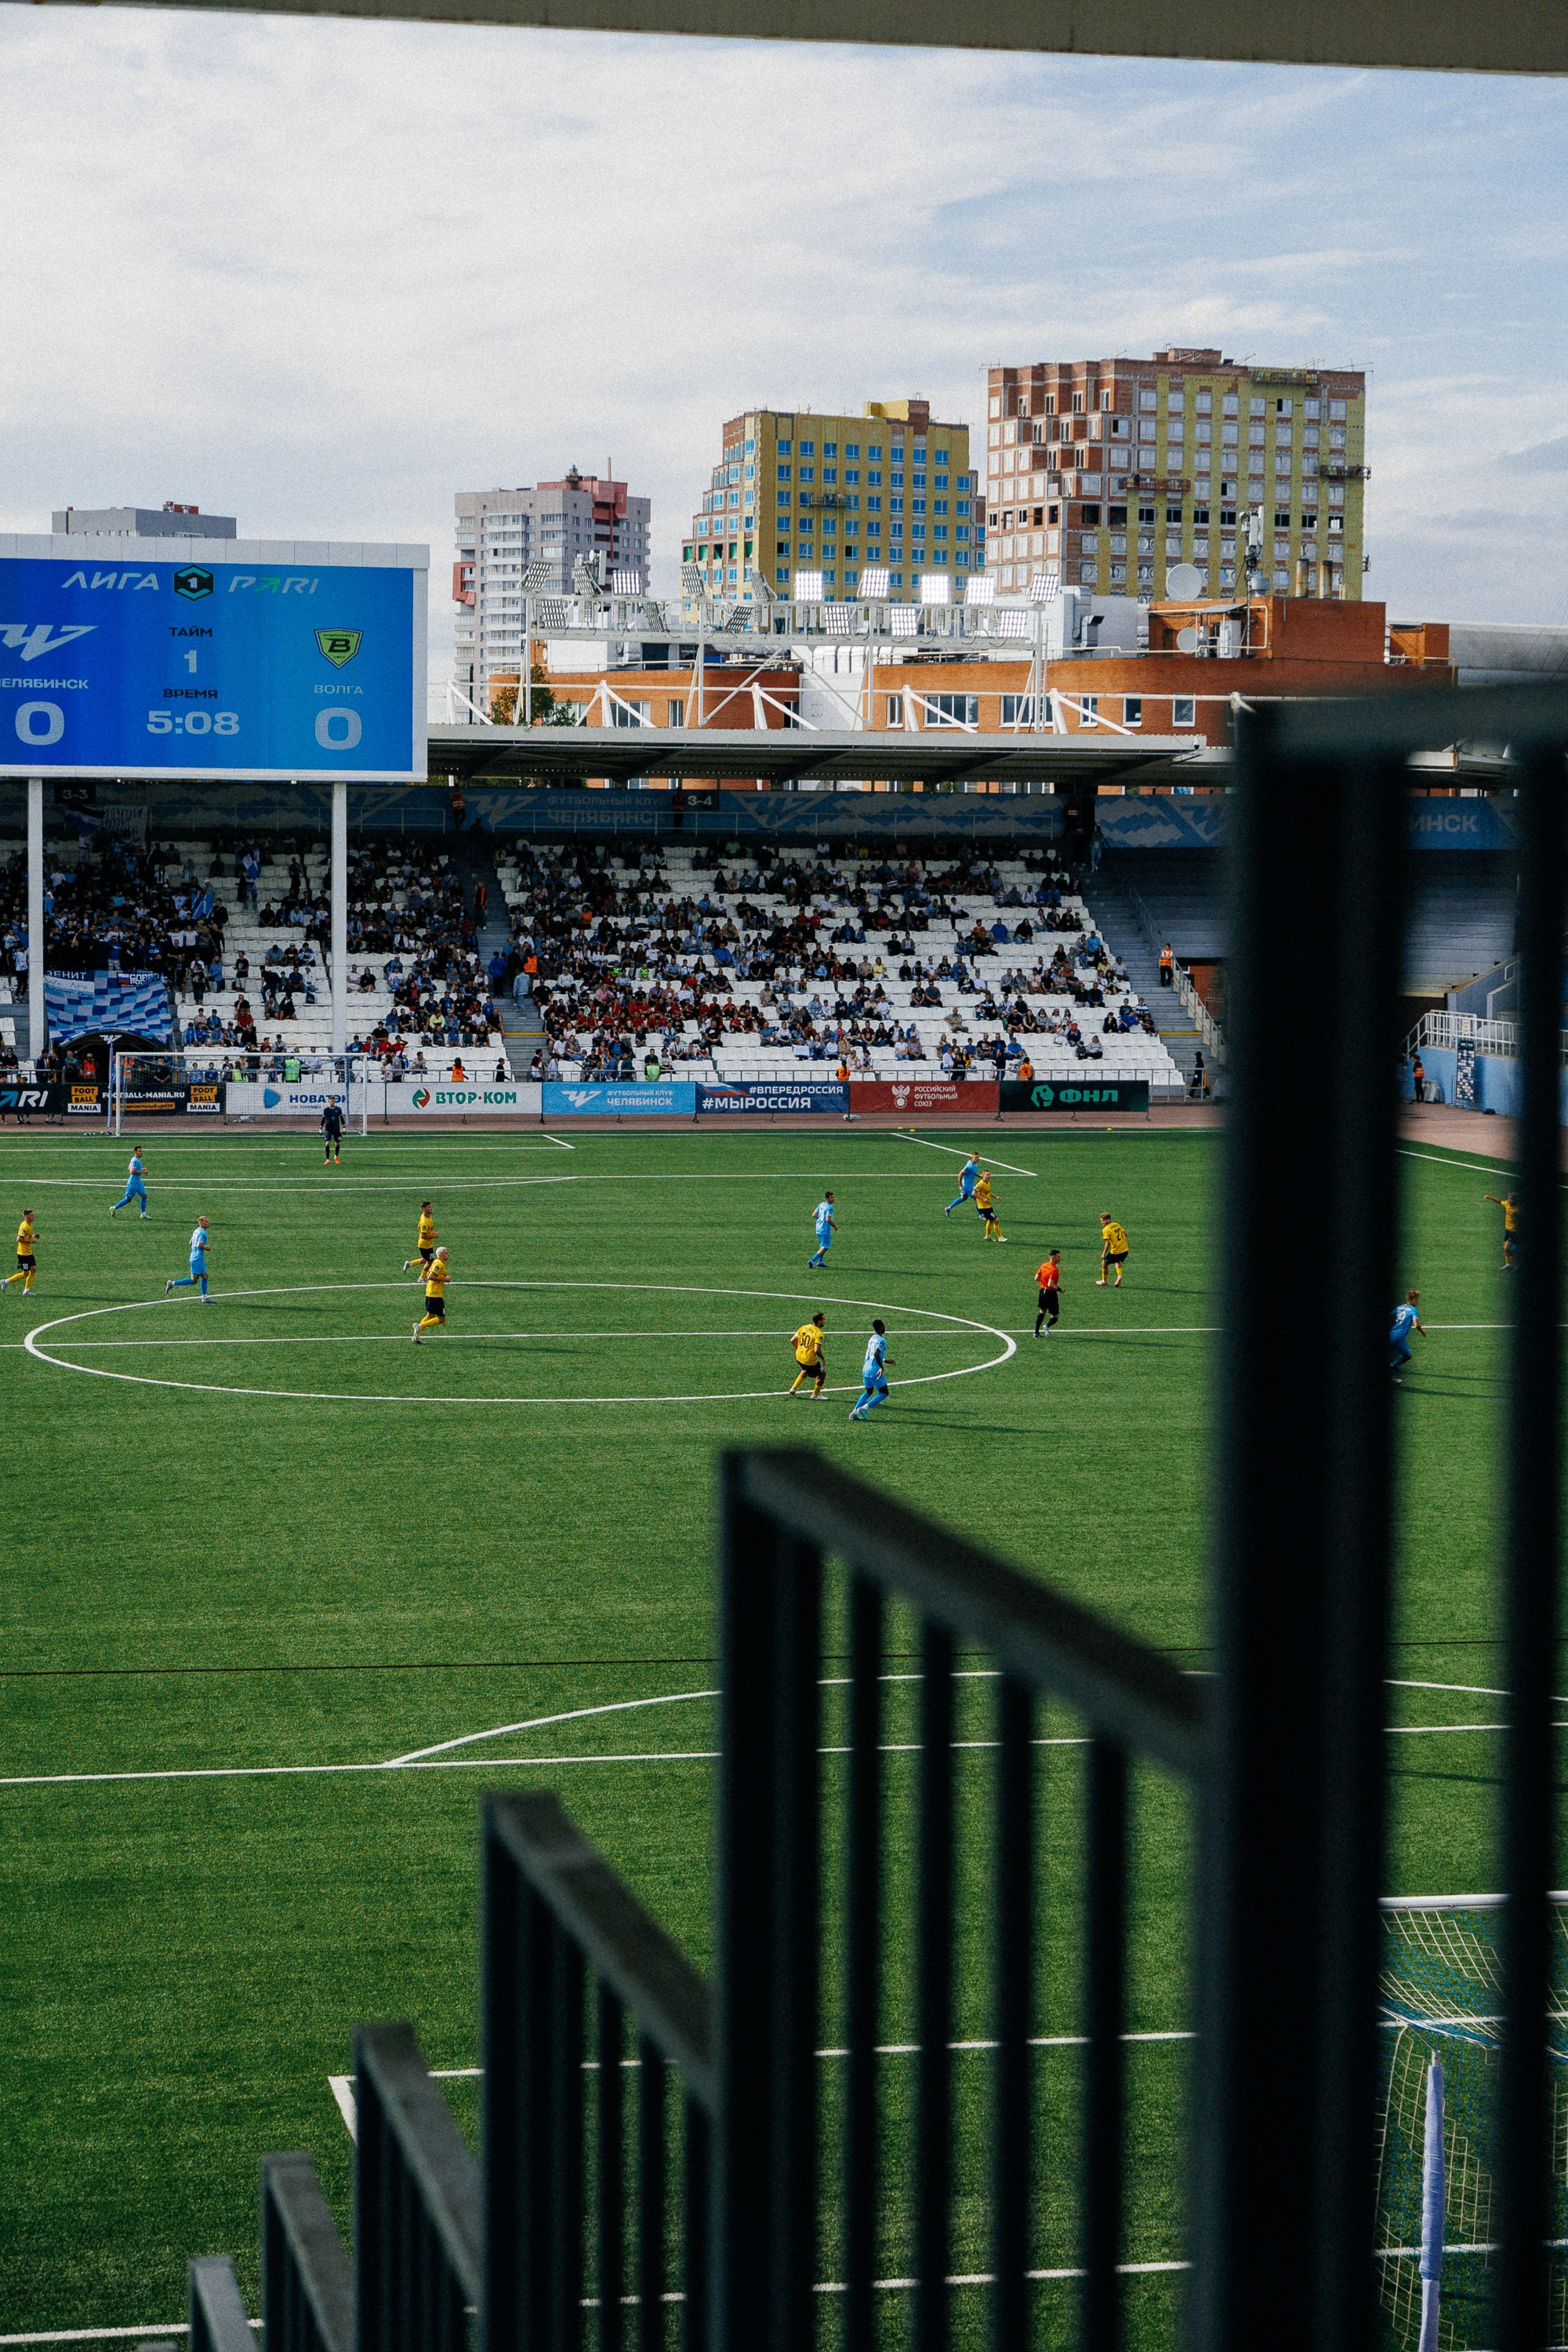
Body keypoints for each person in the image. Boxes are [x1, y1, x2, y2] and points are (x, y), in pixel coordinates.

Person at [849, 1319, 895, 1419]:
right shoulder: (881, 1341)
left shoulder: (872, 1338)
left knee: (868, 1391)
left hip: (865, 1369)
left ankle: (854, 1413)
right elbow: (876, 1354)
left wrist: (886, 1361)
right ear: (881, 1327)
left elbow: (871, 1355)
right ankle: (864, 1409)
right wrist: (881, 1367)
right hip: (874, 1371)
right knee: (884, 1392)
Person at [166, 1215, 212, 1301]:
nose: (208, 1223)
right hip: (197, 1258)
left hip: (197, 1257)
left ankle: (205, 1297)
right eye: (206, 1222)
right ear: (201, 1223)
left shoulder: (196, 1231)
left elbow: (190, 1242)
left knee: (205, 1276)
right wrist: (207, 1248)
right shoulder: (203, 1233)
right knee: (194, 1280)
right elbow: (199, 1245)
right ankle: (172, 1283)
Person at [412, 1245, 450, 1343]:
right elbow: (430, 1276)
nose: (448, 1255)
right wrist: (444, 1279)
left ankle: (416, 1337)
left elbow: (428, 1273)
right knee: (442, 1319)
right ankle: (420, 1326)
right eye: (446, 1253)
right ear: (441, 1255)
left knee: (430, 1315)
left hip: (430, 1292)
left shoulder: (436, 1262)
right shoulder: (439, 1264)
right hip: (435, 1294)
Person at [1390, 1290, 1426, 1383]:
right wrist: (1422, 1331)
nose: (1418, 1301)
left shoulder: (1399, 1307)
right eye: (1416, 1299)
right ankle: (1392, 1366)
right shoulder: (1413, 1310)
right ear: (1410, 1300)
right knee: (1408, 1356)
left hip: (1391, 1333)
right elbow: (1417, 1325)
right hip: (1399, 1337)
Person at [789, 1310, 827, 1397]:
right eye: (823, 1320)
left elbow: (793, 1340)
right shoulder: (818, 1333)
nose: (824, 1322)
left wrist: (800, 1349)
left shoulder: (804, 1327)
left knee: (806, 1369)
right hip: (809, 1360)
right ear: (819, 1321)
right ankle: (816, 1395)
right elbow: (817, 1350)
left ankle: (793, 1389)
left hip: (799, 1356)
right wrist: (822, 1358)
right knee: (822, 1373)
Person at [2, 1207, 38, 1295]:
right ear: (26, 1216)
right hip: (23, 1254)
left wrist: (34, 1236)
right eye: (31, 1215)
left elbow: (26, 1236)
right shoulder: (25, 1226)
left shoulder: (28, 1225)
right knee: (26, 1274)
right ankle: (5, 1281)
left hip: (28, 1252)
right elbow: (19, 1239)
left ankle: (27, 1290)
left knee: (33, 1270)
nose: (33, 1216)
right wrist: (32, 1241)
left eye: (33, 1215)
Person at [111, 1148, 150, 1220]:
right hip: (133, 1183)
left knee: (144, 1196)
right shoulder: (135, 1161)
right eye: (139, 1151)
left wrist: (140, 1170)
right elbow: (132, 1171)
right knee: (128, 1199)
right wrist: (142, 1172)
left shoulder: (134, 1159)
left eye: (141, 1151)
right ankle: (114, 1208)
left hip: (138, 1182)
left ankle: (143, 1214)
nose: (141, 1152)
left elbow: (129, 1169)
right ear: (135, 1152)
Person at [1483, 1189, 1519, 1267]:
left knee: (1507, 1248)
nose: (1510, 1200)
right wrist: (1490, 1197)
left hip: (1514, 1231)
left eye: (1512, 1199)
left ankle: (1516, 1259)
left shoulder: (1517, 1209)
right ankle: (1509, 1264)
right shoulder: (1507, 1204)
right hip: (1507, 1230)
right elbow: (1500, 1201)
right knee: (1505, 1249)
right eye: (1509, 1198)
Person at [404, 1200, 437, 1274]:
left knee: (428, 1259)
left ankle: (410, 1264)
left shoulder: (425, 1216)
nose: (431, 1208)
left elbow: (419, 1226)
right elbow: (423, 1236)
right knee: (431, 1261)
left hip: (428, 1244)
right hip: (425, 1245)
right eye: (429, 1207)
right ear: (424, 1209)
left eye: (431, 1207)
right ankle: (421, 1278)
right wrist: (433, 1236)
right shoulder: (425, 1221)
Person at [1098, 1211, 1130, 1287]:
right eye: (1101, 1221)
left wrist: (1103, 1253)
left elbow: (1108, 1243)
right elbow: (1125, 1234)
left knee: (1104, 1264)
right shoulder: (1117, 1224)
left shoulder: (1106, 1229)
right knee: (1117, 1261)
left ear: (1108, 1219)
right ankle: (1119, 1276)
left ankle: (1104, 1281)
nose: (1102, 1222)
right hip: (1125, 1250)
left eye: (1103, 1220)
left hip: (1116, 1252)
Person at [1034, 1249, 1062, 1335]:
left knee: (1042, 1312)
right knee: (1055, 1316)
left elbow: (1036, 1278)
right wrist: (1060, 1290)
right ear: (1052, 1257)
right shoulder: (1054, 1270)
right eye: (1058, 1257)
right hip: (1050, 1293)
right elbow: (1050, 1285)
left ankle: (1036, 1332)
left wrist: (1044, 1282)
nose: (1060, 1259)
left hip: (1042, 1291)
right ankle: (1047, 1325)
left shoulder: (1044, 1265)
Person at [808, 1191, 837, 1270]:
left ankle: (820, 1262)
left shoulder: (821, 1204)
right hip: (824, 1230)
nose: (833, 1199)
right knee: (825, 1247)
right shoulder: (830, 1207)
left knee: (822, 1245)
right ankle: (811, 1261)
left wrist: (820, 1220)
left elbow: (814, 1214)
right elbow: (828, 1219)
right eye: (831, 1198)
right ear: (827, 1199)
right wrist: (835, 1226)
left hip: (818, 1227)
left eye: (833, 1197)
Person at [945, 1154, 981, 1218]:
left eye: (978, 1157)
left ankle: (949, 1208)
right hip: (967, 1186)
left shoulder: (974, 1164)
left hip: (969, 1184)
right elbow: (960, 1175)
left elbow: (972, 1172)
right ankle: (981, 1215)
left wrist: (981, 1177)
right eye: (976, 1157)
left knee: (964, 1197)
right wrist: (960, 1186)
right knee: (978, 1199)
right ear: (972, 1157)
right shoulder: (969, 1166)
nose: (977, 1158)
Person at [975, 1171, 1006, 1242]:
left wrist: (996, 1197)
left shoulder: (988, 1183)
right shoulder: (980, 1184)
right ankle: (1000, 1237)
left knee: (990, 1220)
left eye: (989, 1175)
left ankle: (988, 1236)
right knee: (996, 1220)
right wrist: (982, 1199)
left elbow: (988, 1193)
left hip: (988, 1205)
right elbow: (973, 1193)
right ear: (983, 1175)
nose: (989, 1176)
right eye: (987, 1175)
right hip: (983, 1206)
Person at [321, 1098, 345, 1164]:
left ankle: (336, 1156)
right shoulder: (326, 1110)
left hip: (336, 1129)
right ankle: (327, 1160)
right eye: (331, 1101)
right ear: (329, 1101)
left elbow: (342, 1118)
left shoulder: (338, 1109)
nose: (333, 1102)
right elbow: (323, 1119)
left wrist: (344, 1127)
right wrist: (320, 1127)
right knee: (327, 1143)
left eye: (334, 1101)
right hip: (328, 1129)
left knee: (337, 1143)